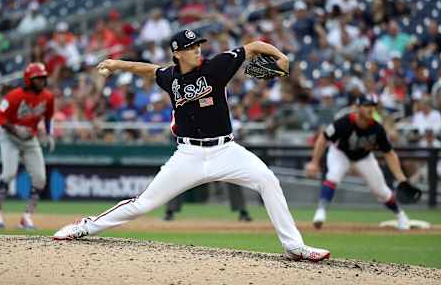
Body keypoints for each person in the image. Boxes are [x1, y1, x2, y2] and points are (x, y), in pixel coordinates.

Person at [53, 29, 330, 262]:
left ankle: (294, 246)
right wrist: (117, 64)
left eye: (198, 45)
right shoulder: (171, 77)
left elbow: (254, 46)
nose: (197, 50)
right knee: (143, 204)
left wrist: (280, 56)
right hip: (188, 155)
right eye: (191, 47)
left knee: (268, 180)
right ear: (177, 53)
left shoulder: (218, 66)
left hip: (226, 151)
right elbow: (150, 70)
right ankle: (85, 227)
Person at [305, 94, 411, 230]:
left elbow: (389, 153)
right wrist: (314, 162)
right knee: (333, 175)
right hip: (340, 153)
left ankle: (401, 215)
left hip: (363, 157)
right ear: (357, 107)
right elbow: (323, 138)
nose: (370, 109)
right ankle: (321, 211)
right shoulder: (344, 122)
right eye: (366, 105)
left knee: (380, 190)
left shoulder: (377, 129)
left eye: (373, 106)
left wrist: (400, 177)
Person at [0, 63, 55, 230]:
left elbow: (48, 116)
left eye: (43, 77)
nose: (41, 81)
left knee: (41, 179)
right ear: (28, 79)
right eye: (37, 78)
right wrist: (14, 128)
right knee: (9, 173)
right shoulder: (14, 96)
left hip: (30, 139)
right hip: (10, 137)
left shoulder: (48, 97)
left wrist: (49, 134)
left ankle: (26, 217)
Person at [164, 183, 253, 222]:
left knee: (234, 178)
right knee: (179, 175)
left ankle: (242, 211)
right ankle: (170, 211)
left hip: (218, 152)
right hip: (196, 152)